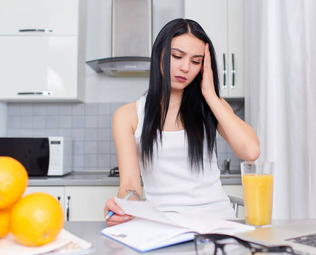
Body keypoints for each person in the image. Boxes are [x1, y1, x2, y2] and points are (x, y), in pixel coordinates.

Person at [104, 18, 260, 226]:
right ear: (159, 54)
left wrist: (210, 94)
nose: (185, 67)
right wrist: (124, 206)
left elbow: (250, 152)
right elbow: (131, 184)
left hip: (217, 223)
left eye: (196, 61)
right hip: (162, 225)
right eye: (177, 56)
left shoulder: (212, 106)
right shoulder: (127, 115)